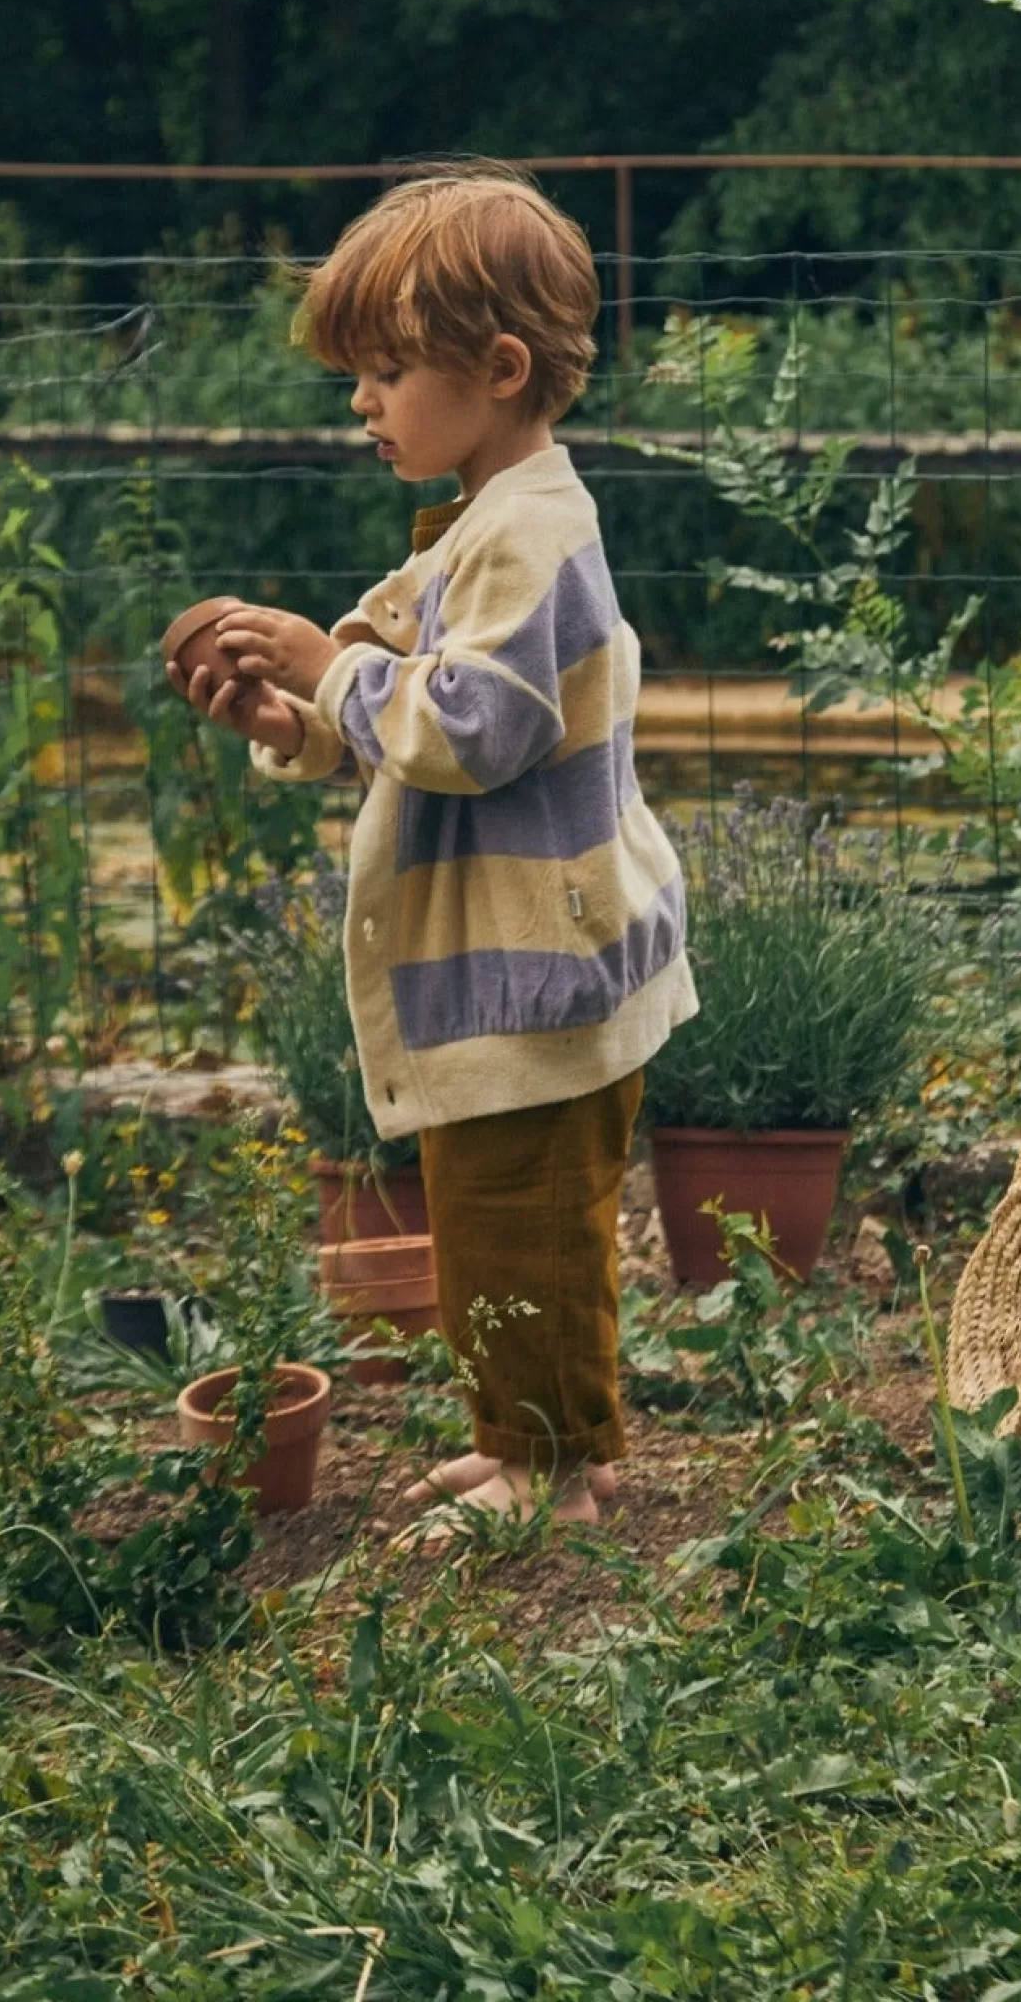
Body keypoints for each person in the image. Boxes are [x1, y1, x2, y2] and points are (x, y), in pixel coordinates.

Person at [168, 163, 697, 1536]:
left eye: (388, 370)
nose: (362, 401)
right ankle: (530, 1437)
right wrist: (293, 708)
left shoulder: (534, 534)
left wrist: (328, 669)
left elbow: (474, 726)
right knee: (489, 1219)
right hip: (506, 959)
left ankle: (552, 1473)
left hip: (541, 963)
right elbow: (396, 708)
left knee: (529, 1229)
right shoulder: (477, 530)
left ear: (501, 367)